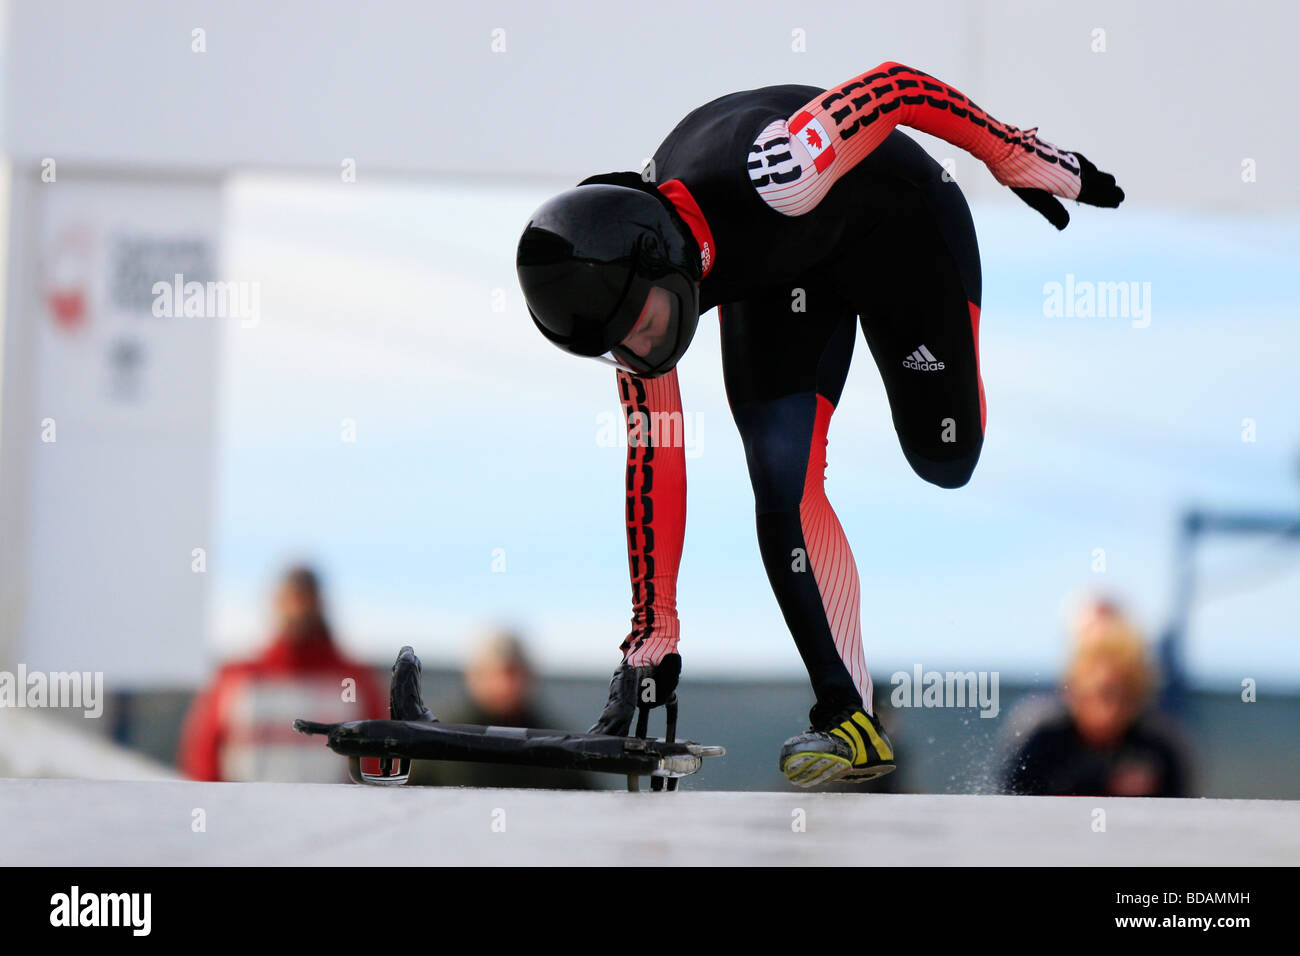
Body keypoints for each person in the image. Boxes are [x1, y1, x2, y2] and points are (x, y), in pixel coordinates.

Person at [515, 62, 1124, 788]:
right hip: (779, 276)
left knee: (947, 457)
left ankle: (852, 701)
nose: (648, 351)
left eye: (653, 326)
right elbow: (656, 462)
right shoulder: (633, 309)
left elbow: (898, 87)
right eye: (625, 347)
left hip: (898, 232)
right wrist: (653, 636)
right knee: (780, 480)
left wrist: (1007, 152)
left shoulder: (776, 165)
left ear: (665, 254)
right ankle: (848, 716)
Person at [178, 566, 385, 782]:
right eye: (292, 598)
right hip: (245, 813)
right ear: (276, 602)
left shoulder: (357, 680)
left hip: (335, 814)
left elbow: (380, 759)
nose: (298, 608)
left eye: (306, 598)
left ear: (320, 602)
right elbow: (202, 759)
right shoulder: (235, 679)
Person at [1001, 610, 1191, 797]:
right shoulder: (1041, 738)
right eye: (1104, 694)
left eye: (1127, 697)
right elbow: (1008, 806)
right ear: (1075, 689)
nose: (1113, 709)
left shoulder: (1158, 749)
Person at [406, 631, 598, 789]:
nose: (505, 685)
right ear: (474, 676)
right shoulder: (435, 738)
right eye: (495, 673)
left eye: (514, 673)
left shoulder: (558, 744)